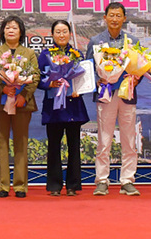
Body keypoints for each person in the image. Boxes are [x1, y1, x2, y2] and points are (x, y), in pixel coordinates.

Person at [86, 2, 141, 197]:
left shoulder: (133, 41)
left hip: (127, 95)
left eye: (119, 15)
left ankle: (127, 180)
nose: (115, 19)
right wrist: (99, 78)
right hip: (105, 95)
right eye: (111, 15)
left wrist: (135, 77)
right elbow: (89, 69)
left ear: (124, 18)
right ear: (105, 17)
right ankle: (102, 180)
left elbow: (140, 66)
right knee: (104, 139)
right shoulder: (96, 41)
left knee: (129, 139)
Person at [0, 15, 38, 198]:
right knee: (1, 144)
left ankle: (20, 186)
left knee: (21, 144)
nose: (11, 30)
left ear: (21, 32)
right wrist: (4, 88)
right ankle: (2, 185)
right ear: (2, 31)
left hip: (22, 105)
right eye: (7, 27)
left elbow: (35, 76)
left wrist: (23, 94)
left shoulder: (29, 53)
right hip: (0, 104)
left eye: (15, 28)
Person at [37, 19, 89, 196]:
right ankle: (54, 185)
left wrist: (78, 90)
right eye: (58, 32)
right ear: (52, 35)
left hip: (73, 104)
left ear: (69, 33)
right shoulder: (45, 55)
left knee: (74, 145)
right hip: (54, 105)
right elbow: (38, 79)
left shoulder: (77, 54)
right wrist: (50, 83)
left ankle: (73, 185)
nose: (61, 35)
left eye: (64, 31)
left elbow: (84, 78)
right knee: (53, 145)